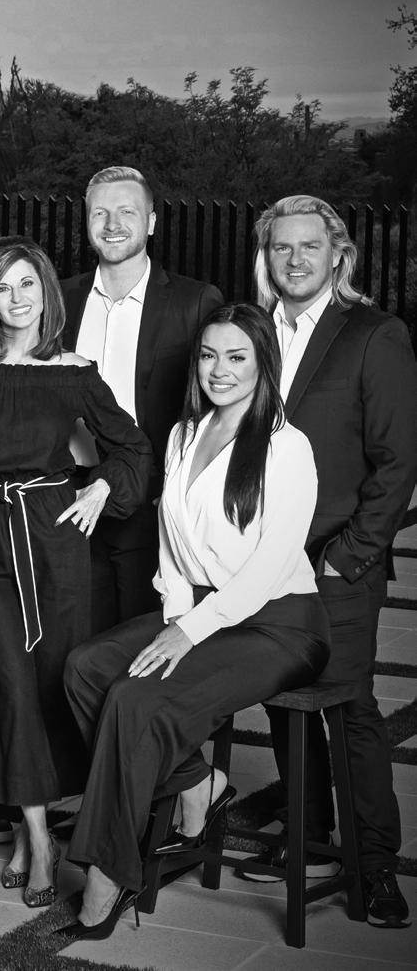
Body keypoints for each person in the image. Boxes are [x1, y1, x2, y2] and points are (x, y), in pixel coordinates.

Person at [60, 303, 330, 940]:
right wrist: (177, 616)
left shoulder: (287, 446)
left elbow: (270, 565)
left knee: (135, 697)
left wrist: (190, 632)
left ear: (264, 363)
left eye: (237, 356)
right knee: (86, 668)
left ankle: (108, 874)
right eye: (209, 355)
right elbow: (171, 541)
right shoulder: (186, 433)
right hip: (202, 608)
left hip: (279, 622)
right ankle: (199, 783)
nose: (219, 369)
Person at [0, 235, 150, 909]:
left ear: (46, 291)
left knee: (54, 681)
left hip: (55, 536)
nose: (16, 298)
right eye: (2, 287)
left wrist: (100, 488)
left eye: (27, 283)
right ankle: (37, 835)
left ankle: (33, 833)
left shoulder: (72, 370)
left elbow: (133, 448)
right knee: (11, 685)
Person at [240, 195, 417, 928]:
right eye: (281, 247)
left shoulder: (375, 335)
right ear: (266, 257)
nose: (295, 260)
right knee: (282, 699)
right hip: (261, 559)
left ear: (338, 255)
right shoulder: (251, 332)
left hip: (336, 561)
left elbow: (398, 461)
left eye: (310, 246)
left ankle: (375, 867)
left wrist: (350, 556)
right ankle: (309, 837)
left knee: (350, 710)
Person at [60, 166, 223, 634]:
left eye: (126, 212)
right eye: (100, 213)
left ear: (151, 221)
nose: (112, 224)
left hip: (150, 501)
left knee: (139, 642)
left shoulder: (194, 302)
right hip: (69, 497)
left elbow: (214, 408)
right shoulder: (60, 299)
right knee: (72, 645)